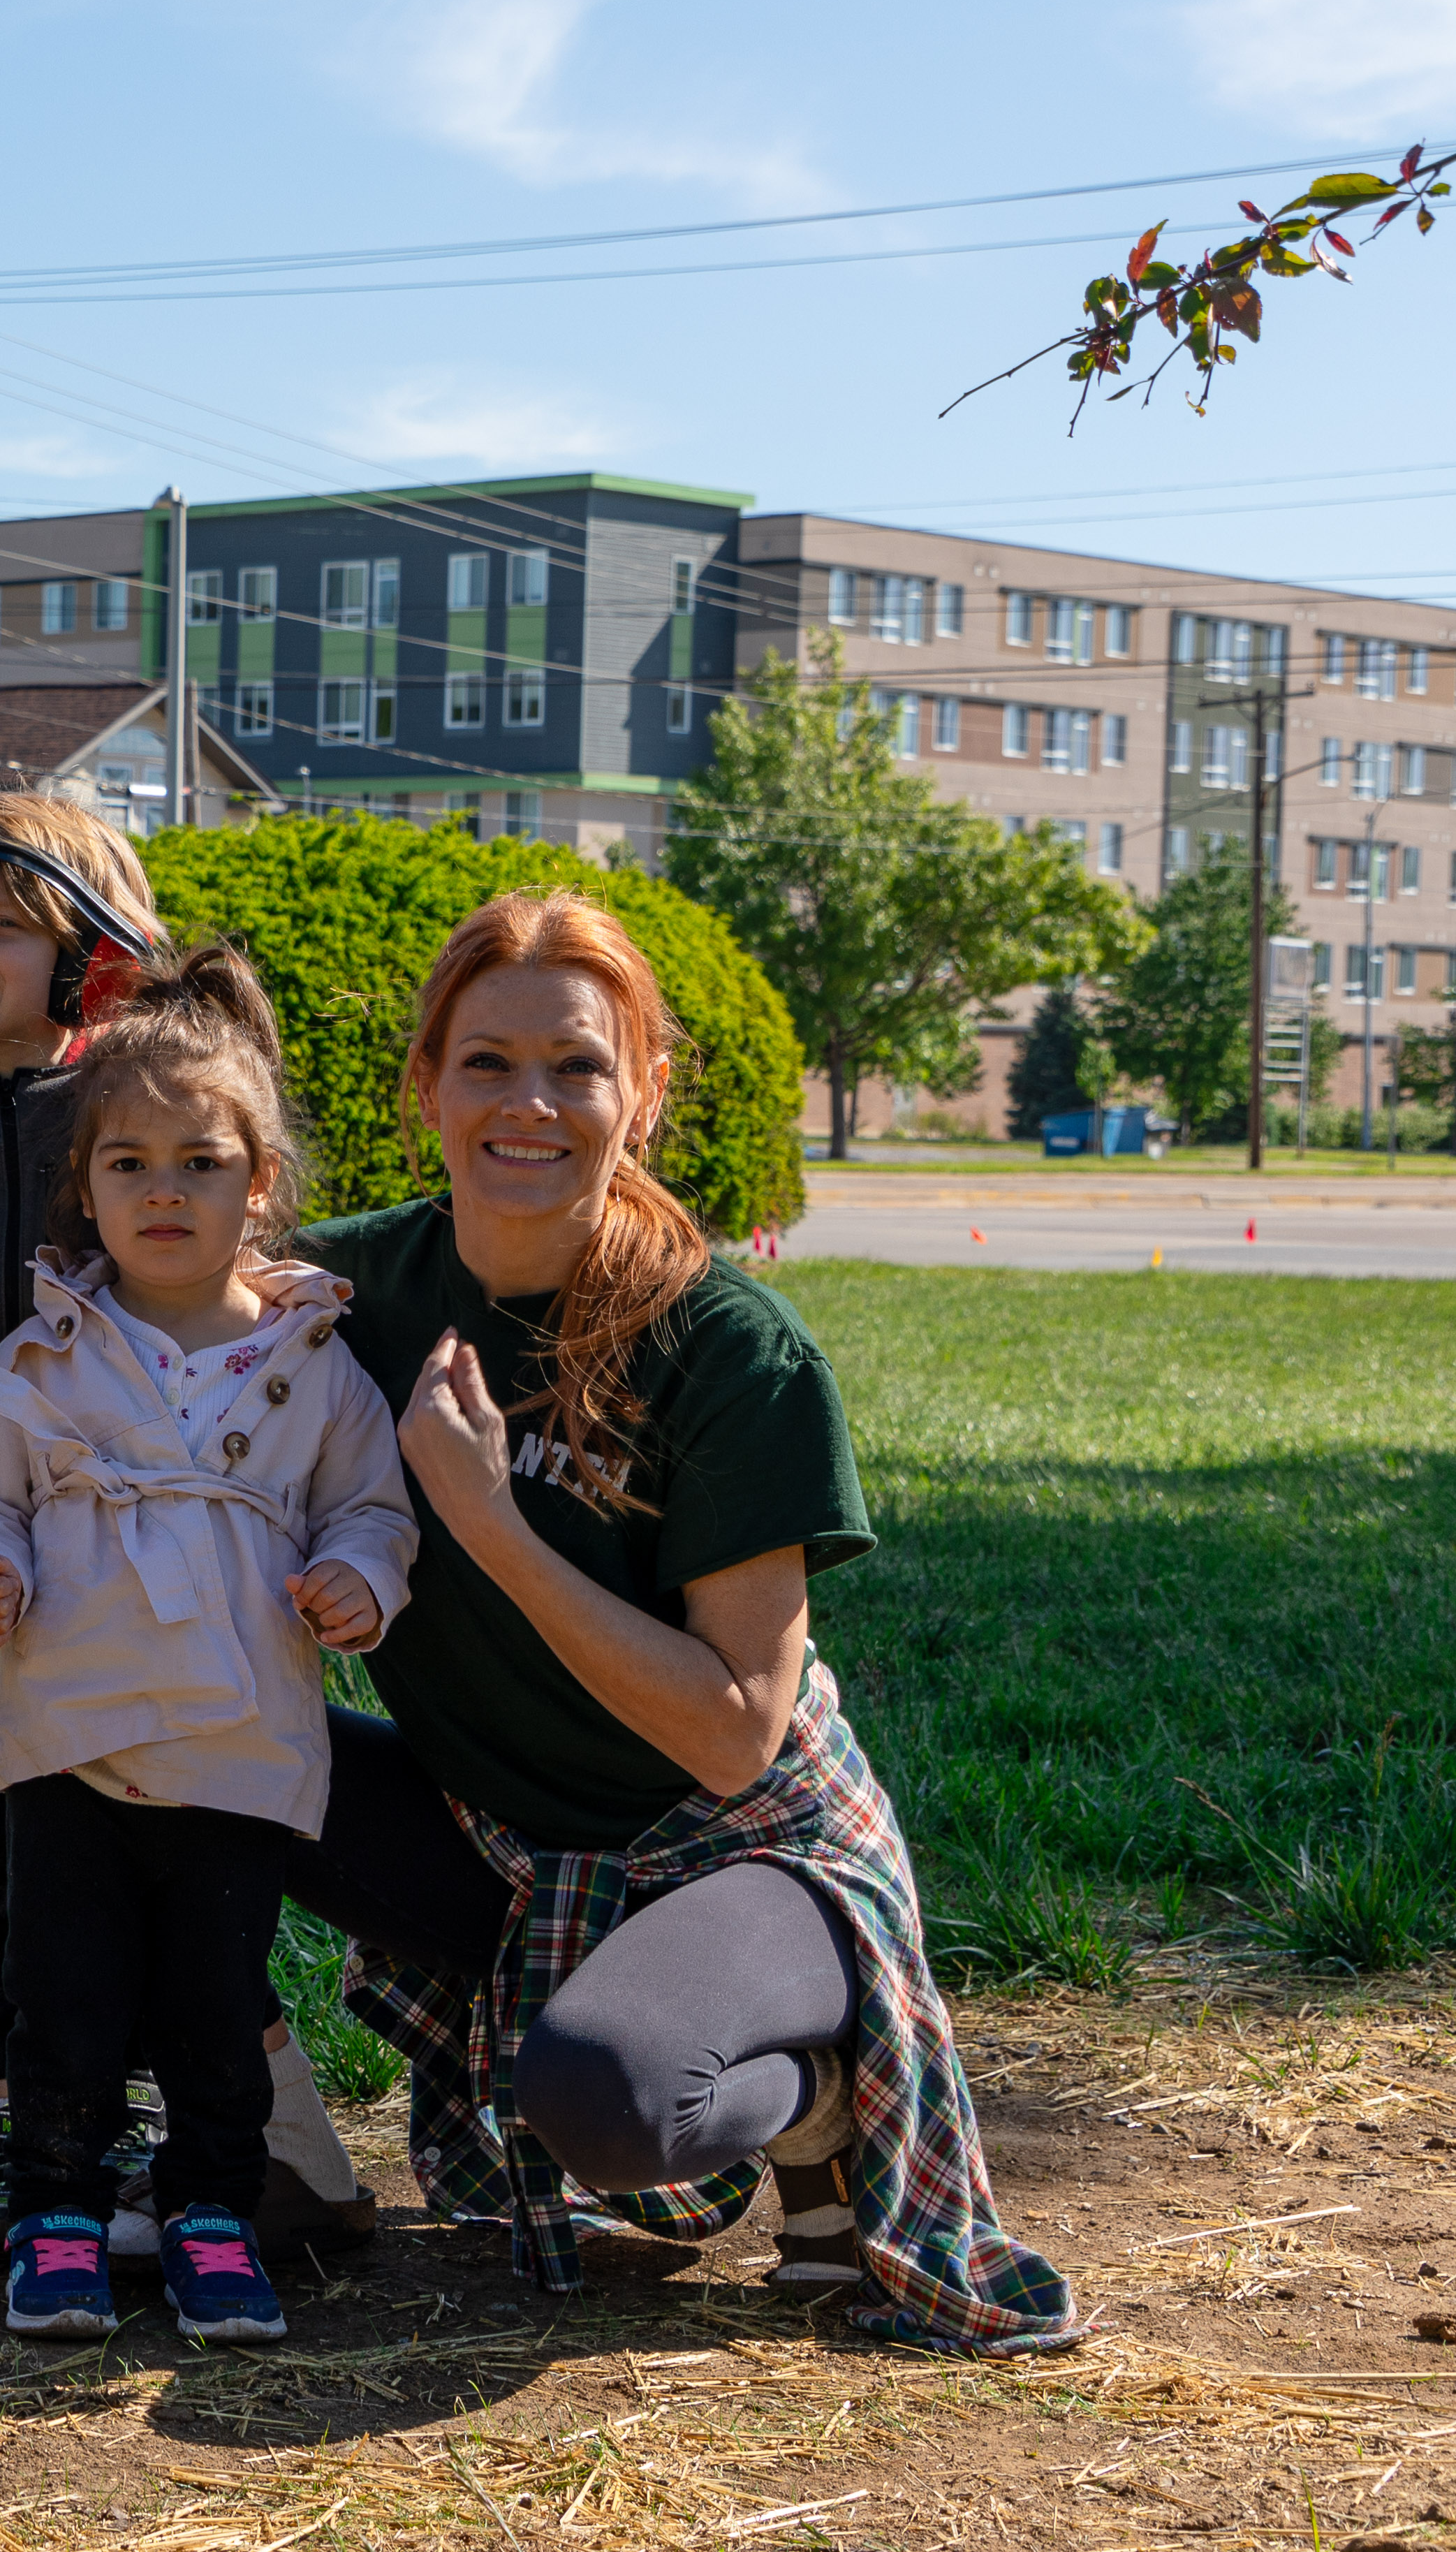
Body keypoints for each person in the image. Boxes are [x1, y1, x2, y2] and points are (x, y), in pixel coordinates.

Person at [286, 890, 1082, 2352]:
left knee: (609, 2097)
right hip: (498, 1832)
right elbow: (131, 1253)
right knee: (166, 1744)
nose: (530, 1103)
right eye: (487, 1062)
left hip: (742, 1842)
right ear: (425, 1085)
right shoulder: (345, 1292)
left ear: (642, 1092)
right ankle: (255, 2146)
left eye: (578, 1065)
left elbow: (731, 1735)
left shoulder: (731, 1349)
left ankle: (821, 2105)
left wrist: (487, 1524)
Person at [0, 802, 385, 2267]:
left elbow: (233, 1278)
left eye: (0, 922)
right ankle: (22, 2123)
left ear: (86, 944)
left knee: (190, 1863)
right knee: (16, 1859)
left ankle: (196, 2141)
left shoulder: (144, 1098)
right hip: (10, 1586)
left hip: (198, 1587)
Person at [0, 946, 417, 2349]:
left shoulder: (312, 1365)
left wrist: (353, 1580)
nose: (162, 1189)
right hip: (70, 1740)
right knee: (59, 2000)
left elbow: (374, 1514)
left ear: (257, 1184)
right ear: (81, 1187)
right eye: (128, 1161)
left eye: (198, 1162)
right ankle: (60, 2218)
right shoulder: (47, 1356)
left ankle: (213, 2213)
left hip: (236, 1746)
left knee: (214, 2003)